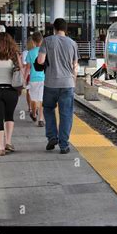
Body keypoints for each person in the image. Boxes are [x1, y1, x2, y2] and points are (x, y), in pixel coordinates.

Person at [37, 18, 78, 154]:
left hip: (50, 83)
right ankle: (64, 145)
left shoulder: (47, 41)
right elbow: (75, 66)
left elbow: (41, 61)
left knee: (48, 109)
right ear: (66, 29)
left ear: (54, 28)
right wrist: (74, 81)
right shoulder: (73, 43)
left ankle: (52, 137)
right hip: (67, 83)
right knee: (66, 114)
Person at [25, 32, 45, 127]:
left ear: (33, 41)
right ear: (42, 40)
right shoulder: (46, 51)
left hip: (33, 78)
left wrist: (24, 79)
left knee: (33, 99)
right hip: (44, 78)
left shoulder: (30, 52)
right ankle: (41, 119)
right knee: (42, 99)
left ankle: (33, 114)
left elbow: (28, 68)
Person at [23, 37, 35, 114]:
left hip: (28, 75)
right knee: (35, 92)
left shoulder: (25, 52)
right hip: (35, 74)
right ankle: (34, 107)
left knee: (29, 92)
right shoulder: (37, 51)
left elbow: (24, 65)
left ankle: (30, 107)